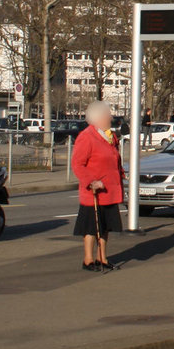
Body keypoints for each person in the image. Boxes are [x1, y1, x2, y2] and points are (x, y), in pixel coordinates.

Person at [71, 101, 125, 271]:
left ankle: (102, 257)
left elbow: (115, 159)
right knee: (91, 227)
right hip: (94, 191)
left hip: (109, 190)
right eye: (107, 114)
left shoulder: (109, 136)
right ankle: (88, 259)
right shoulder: (87, 137)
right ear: (98, 118)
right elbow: (77, 164)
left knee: (105, 226)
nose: (110, 117)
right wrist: (91, 181)